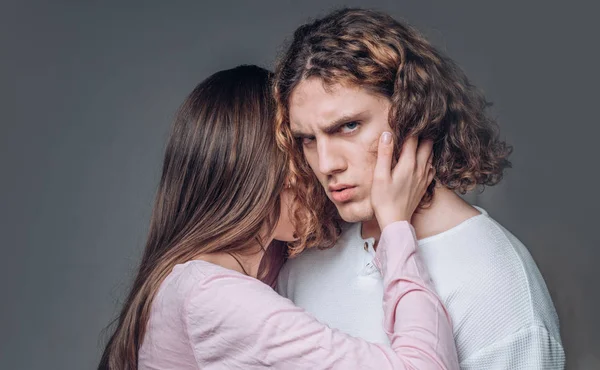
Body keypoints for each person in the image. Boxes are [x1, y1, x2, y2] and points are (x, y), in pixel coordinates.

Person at [98, 65, 459, 369]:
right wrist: (395, 225)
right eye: (303, 145)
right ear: (269, 170)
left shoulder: (223, 272)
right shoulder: (212, 297)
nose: (323, 168)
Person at [274, 8, 565, 369]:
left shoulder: (497, 284)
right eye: (307, 139)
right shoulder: (300, 269)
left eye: (348, 126)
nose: (326, 163)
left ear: (412, 113)